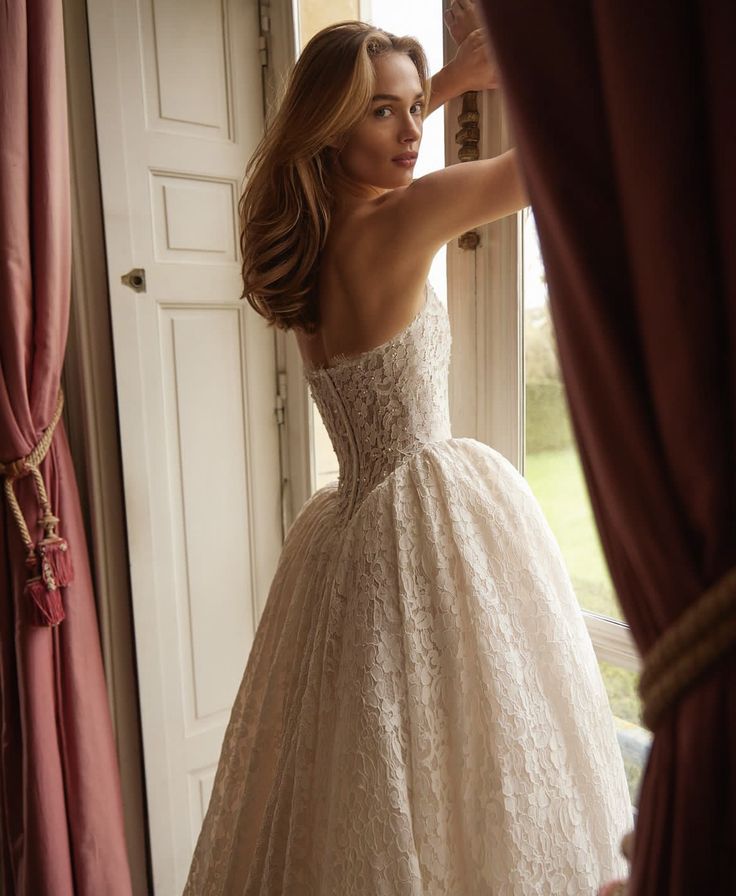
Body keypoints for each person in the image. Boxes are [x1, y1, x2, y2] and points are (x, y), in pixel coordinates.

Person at [183, 6, 633, 895]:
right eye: (382, 112)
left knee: (366, 769)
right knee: (460, 758)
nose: (411, 130)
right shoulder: (414, 213)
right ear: (329, 127)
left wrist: (451, 83)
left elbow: (380, 125)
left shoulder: (305, 244)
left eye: (411, 108)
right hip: (427, 517)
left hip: (347, 531)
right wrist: (538, 64)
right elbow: (552, 160)